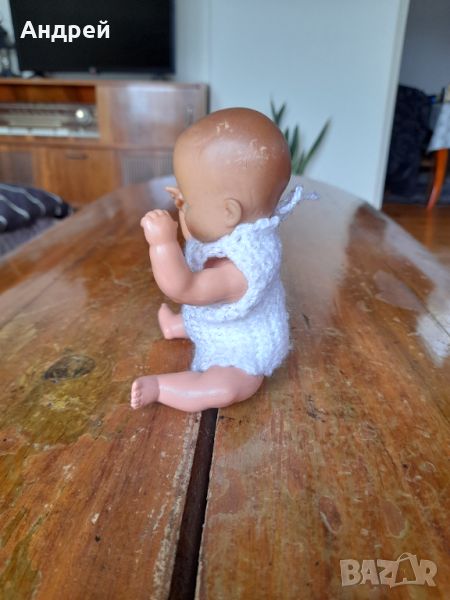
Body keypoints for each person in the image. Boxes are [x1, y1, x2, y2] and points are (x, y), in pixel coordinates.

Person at [131, 107, 304, 412]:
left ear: (229, 212)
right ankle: (178, 326)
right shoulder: (234, 231)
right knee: (203, 313)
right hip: (215, 320)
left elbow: (184, 288)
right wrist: (185, 208)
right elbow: (198, 234)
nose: (182, 205)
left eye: (189, 200)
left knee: (225, 389)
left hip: (240, 353)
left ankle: (159, 387)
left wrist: (161, 243)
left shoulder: (238, 271)